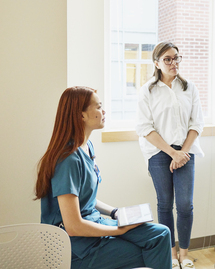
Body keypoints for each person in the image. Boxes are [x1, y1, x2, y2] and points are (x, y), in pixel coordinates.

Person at [35, 86, 172, 269]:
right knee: (154, 249)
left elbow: (85, 199)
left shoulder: (86, 146)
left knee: (161, 234)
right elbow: (73, 225)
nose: (104, 111)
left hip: (93, 223)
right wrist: (117, 230)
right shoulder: (68, 160)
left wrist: (115, 212)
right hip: (74, 247)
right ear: (81, 115)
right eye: (98, 107)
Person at [136, 41, 204, 269]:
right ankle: (171, 254)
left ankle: (184, 254)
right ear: (157, 63)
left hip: (185, 151)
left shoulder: (189, 88)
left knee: (185, 205)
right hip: (158, 152)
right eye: (168, 59)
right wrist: (172, 153)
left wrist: (182, 152)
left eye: (176, 58)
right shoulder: (147, 90)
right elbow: (145, 128)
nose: (174, 62)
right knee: (165, 204)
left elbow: (197, 124)